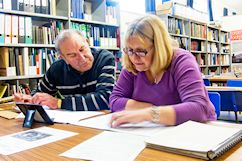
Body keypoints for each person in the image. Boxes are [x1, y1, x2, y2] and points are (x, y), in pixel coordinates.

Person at [109, 14, 216, 127]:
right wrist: (151, 111)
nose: (134, 58)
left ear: (159, 47)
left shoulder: (181, 61)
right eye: (130, 50)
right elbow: (115, 100)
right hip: (153, 130)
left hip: (194, 130)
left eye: (141, 51)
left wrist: (149, 114)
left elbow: (198, 109)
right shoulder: (133, 65)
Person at [15, 29, 115, 111]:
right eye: (72, 55)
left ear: (87, 43)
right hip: (69, 125)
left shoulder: (105, 59)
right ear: (63, 58)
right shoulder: (56, 69)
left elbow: (105, 99)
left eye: (82, 49)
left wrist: (58, 103)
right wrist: (29, 100)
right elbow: (40, 94)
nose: (82, 58)